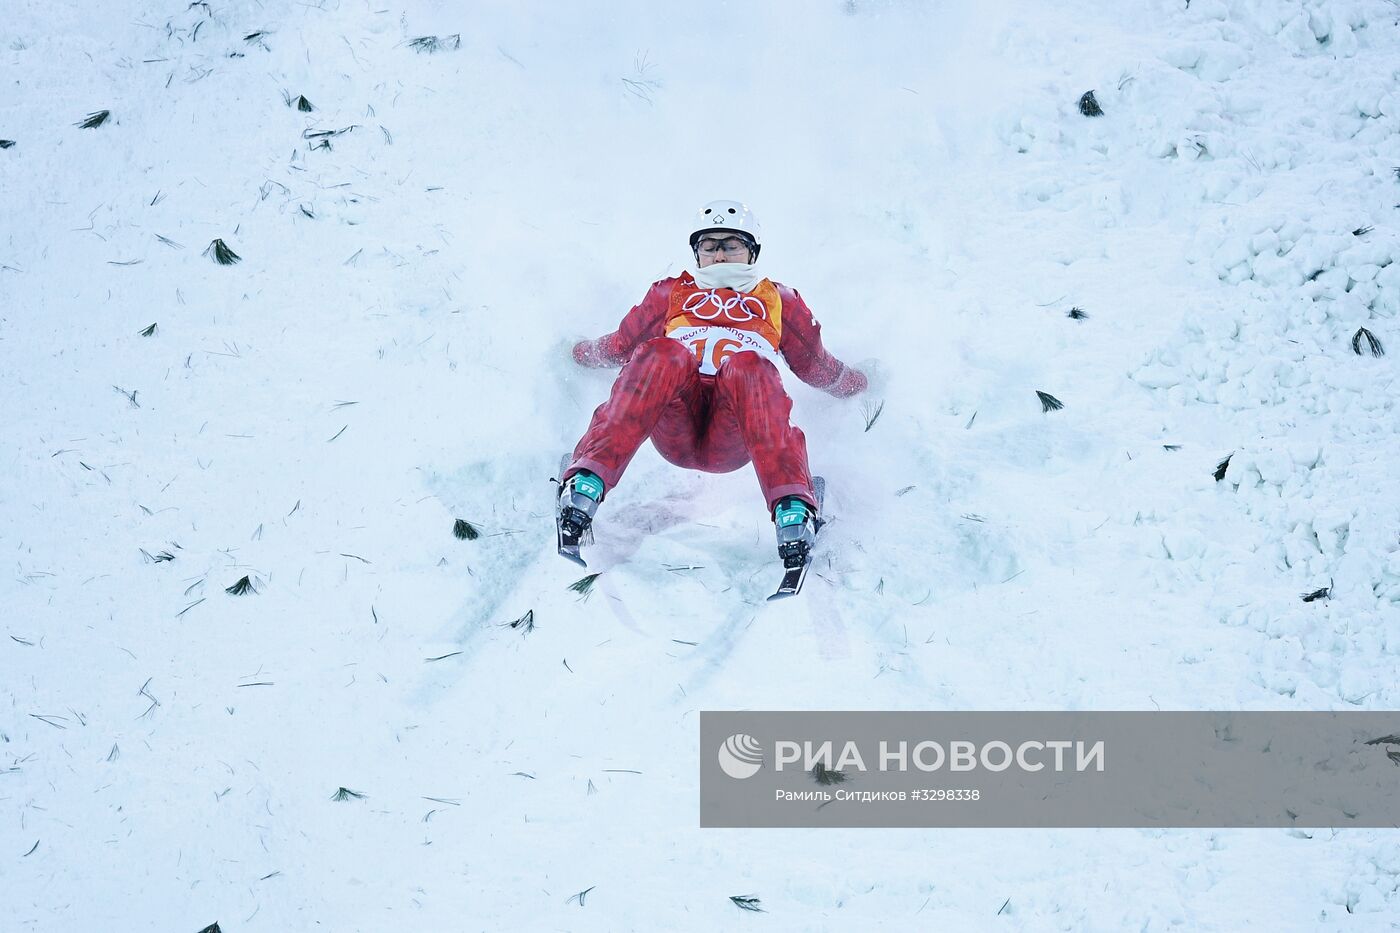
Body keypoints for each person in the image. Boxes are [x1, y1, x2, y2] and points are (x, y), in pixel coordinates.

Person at [557, 199, 869, 568]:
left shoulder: (779, 301)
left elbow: (816, 366)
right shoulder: (671, 293)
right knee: (662, 352)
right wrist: (578, 351)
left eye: (731, 245)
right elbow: (622, 347)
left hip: (732, 431)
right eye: (709, 246)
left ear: (752, 252)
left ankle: (792, 509)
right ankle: (587, 482)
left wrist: (859, 383)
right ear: (696, 253)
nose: (719, 256)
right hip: (676, 423)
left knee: (750, 365)